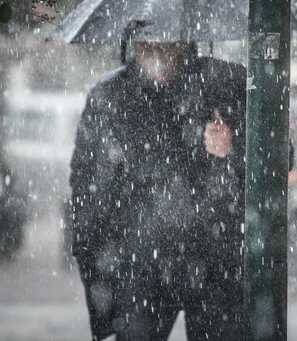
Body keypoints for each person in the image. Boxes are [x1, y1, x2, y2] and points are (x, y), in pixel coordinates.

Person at [70, 41, 247, 341]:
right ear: (132, 41)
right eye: (147, 42)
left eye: (167, 41)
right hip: (140, 269)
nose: (158, 51)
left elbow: (281, 158)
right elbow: (88, 199)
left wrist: (234, 147)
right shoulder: (110, 97)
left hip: (218, 266)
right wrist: (103, 305)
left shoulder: (225, 83)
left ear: (186, 38)